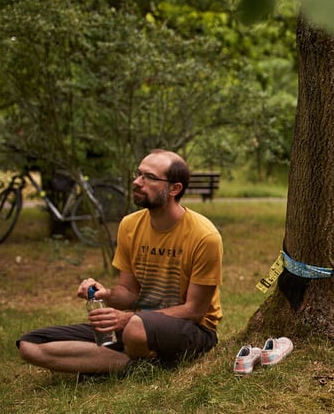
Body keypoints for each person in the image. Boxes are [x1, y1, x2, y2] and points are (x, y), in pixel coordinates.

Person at [16, 149, 224, 374]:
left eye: (149, 177)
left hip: (193, 331)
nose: (137, 182)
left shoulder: (204, 236)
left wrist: (130, 319)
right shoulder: (130, 225)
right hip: (137, 327)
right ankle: (136, 366)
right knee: (30, 345)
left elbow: (194, 310)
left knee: (134, 329)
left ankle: (128, 355)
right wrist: (106, 294)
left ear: (175, 189)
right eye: (138, 174)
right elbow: (129, 293)